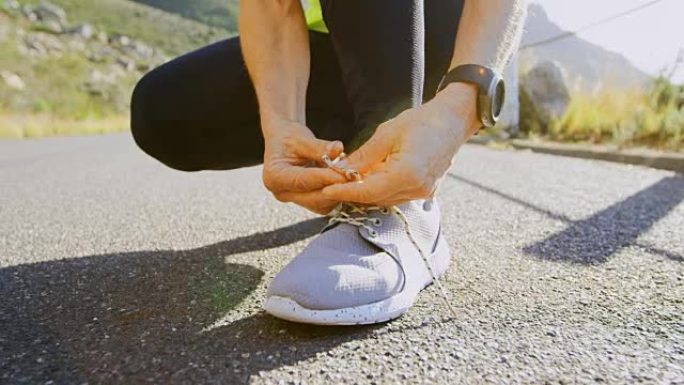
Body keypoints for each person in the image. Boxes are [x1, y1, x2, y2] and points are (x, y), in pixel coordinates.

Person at [130, 0, 526, 325]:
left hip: (447, 40)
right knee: (163, 111)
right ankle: (361, 168)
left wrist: (461, 107)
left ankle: (400, 209)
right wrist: (282, 123)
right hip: (338, 48)